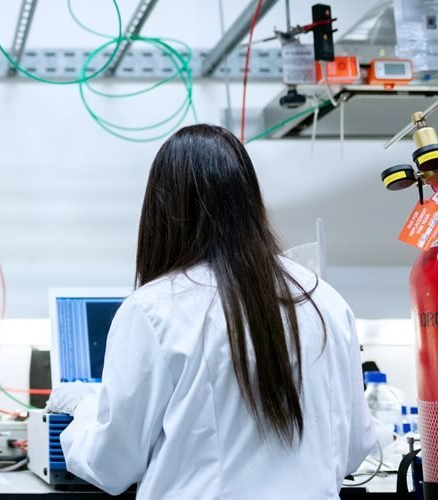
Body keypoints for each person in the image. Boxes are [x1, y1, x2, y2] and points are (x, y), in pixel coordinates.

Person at [48, 124, 375, 499]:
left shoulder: (155, 310)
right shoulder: (324, 300)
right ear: (251, 200)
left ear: (162, 210)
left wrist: (84, 409)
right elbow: (354, 449)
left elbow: (111, 465)